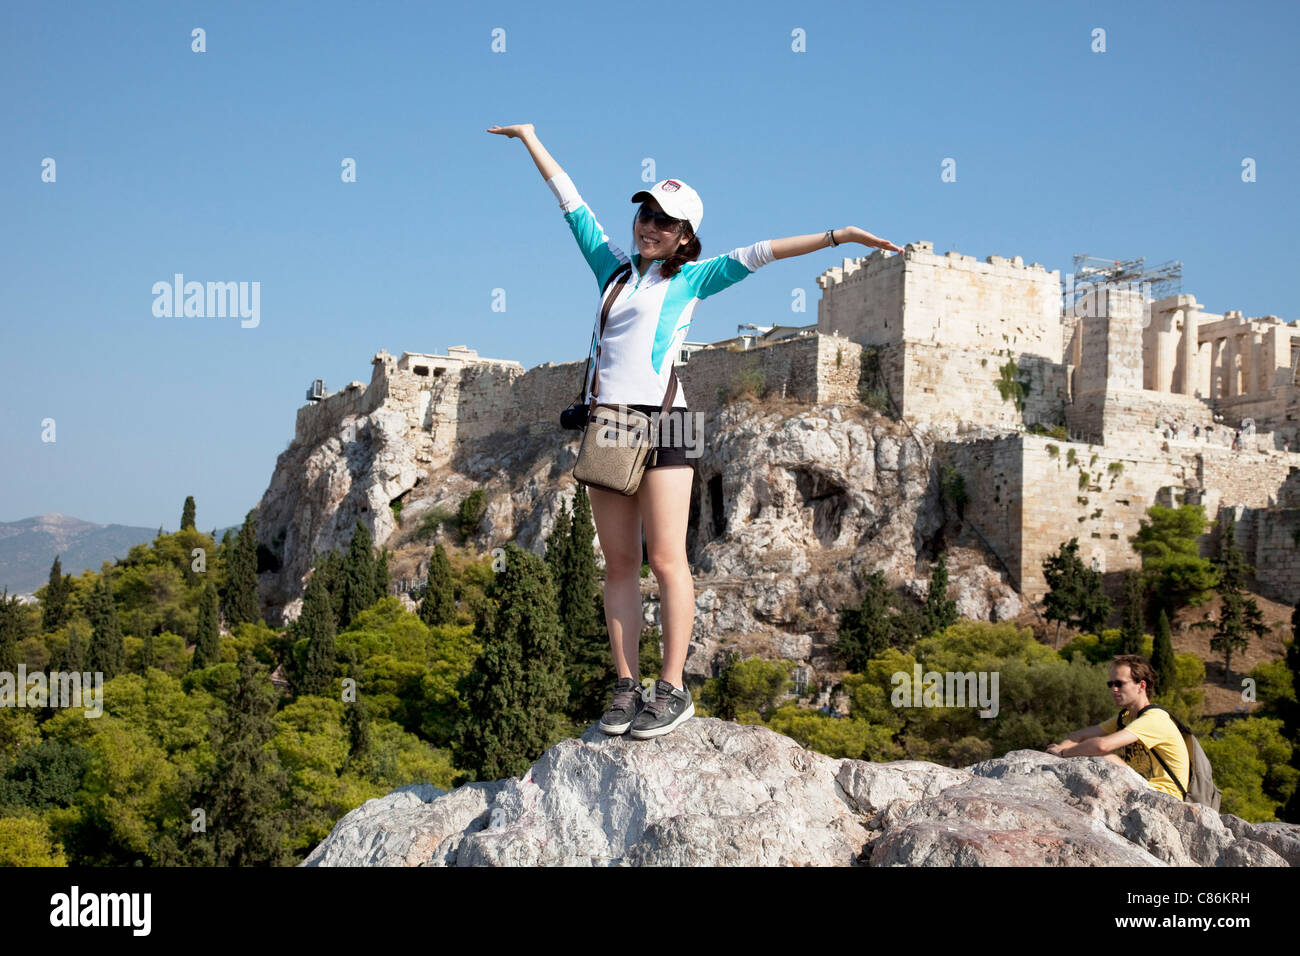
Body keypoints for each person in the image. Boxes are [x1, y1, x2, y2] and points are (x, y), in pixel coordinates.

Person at [488, 123, 903, 739]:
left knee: (666, 558)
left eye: (664, 221)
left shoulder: (693, 278)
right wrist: (529, 138)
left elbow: (763, 252)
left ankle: (673, 688)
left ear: (684, 236)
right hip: (611, 424)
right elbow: (571, 204)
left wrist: (838, 235)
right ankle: (626, 687)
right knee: (618, 563)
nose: (648, 225)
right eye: (645, 214)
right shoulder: (612, 272)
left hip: (669, 424)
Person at [1045, 655, 1189, 799]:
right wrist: (1060, 752)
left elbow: (1102, 746)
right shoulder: (1126, 718)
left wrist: (1064, 753)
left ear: (1142, 686)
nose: (1114, 689)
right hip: (1143, 788)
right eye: (1111, 684)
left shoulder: (1154, 719)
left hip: (1164, 795)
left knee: (1106, 758)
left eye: (1120, 684)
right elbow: (1078, 735)